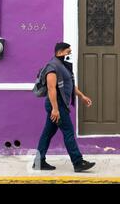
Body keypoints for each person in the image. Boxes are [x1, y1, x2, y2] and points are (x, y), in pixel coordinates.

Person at [33, 42, 96, 172]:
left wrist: (82, 96)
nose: (70, 54)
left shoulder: (62, 66)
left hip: (59, 105)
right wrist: (55, 109)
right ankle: (78, 162)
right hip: (57, 105)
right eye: (68, 51)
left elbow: (70, 85)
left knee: (47, 133)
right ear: (60, 52)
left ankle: (39, 162)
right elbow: (51, 89)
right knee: (68, 132)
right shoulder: (52, 67)